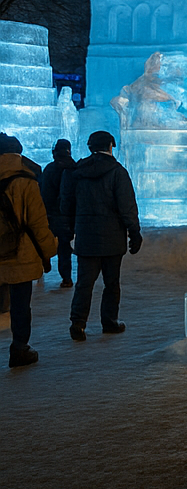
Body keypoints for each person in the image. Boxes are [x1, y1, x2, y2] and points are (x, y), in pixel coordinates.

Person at [59, 130, 141, 342]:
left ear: (90, 147)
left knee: (84, 283)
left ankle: (78, 323)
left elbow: (66, 204)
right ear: (111, 145)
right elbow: (127, 206)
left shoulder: (77, 171)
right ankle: (109, 321)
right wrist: (134, 232)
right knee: (111, 283)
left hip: (86, 237)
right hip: (112, 238)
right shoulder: (118, 172)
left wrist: (69, 230)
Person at [2, 144, 59, 367]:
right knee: (20, 304)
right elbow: (37, 222)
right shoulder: (25, 180)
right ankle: (19, 348)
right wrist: (49, 250)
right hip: (20, 254)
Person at [40, 139, 76, 288]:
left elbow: (43, 193)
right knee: (64, 247)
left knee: (43, 241)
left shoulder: (50, 169)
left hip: (50, 214)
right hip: (68, 216)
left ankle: (44, 263)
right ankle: (66, 277)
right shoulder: (74, 168)